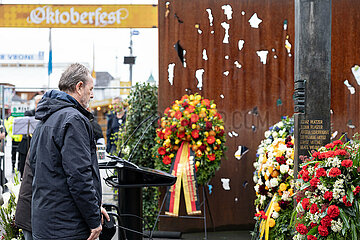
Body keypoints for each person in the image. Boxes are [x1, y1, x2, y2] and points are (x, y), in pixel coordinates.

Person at [29, 63, 109, 240]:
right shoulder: (73, 120)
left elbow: (35, 169)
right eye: (91, 88)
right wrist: (93, 219)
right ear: (79, 87)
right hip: (67, 225)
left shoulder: (45, 118)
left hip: (47, 221)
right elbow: (79, 176)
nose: (93, 94)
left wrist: (94, 207)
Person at [17, 94, 43, 177]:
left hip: (38, 144)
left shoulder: (44, 114)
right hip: (26, 144)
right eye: (37, 103)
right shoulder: (28, 113)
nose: (38, 105)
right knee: (23, 166)